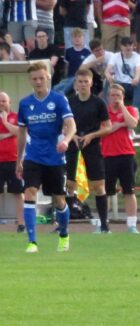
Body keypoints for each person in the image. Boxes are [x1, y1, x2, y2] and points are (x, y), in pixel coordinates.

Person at [16, 61, 76, 253]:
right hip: (33, 156)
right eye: (35, 79)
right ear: (30, 80)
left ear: (48, 77)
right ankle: (32, 241)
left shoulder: (59, 100)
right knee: (30, 192)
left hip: (55, 157)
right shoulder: (25, 104)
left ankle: (64, 234)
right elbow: (22, 133)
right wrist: (19, 160)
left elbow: (71, 124)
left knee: (59, 200)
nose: (38, 81)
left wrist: (66, 139)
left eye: (41, 78)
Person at [65, 69, 111, 234]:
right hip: (73, 147)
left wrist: (92, 135)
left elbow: (108, 127)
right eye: (80, 81)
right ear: (76, 83)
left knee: (99, 186)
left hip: (92, 148)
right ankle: (65, 225)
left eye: (86, 81)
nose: (83, 84)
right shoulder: (69, 103)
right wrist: (74, 136)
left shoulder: (99, 103)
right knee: (70, 185)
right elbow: (64, 127)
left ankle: (104, 225)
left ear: (91, 83)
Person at [99, 83, 139, 233]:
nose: (115, 98)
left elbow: (132, 124)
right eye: (113, 95)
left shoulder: (130, 110)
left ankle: (132, 224)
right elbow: (101, 130)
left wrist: (122, 110)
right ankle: (104, 223)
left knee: (129, 190)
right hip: (107, 155)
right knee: (105, 191)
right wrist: (115, 126)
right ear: (108, 97)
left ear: (123, 97)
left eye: (118, 96)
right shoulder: (103, 112)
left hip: (126, 154)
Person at [0, 90, 26, 232]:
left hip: (14, 160)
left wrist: (5, 122)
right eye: (0, 101)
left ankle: (21, 223)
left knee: (17, 192)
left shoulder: (16, 117)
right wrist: (10, 133)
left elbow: (21, 132)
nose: (1, 104)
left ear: (9, 102)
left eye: (4, 101)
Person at [105, 36, 140, 109]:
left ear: (133, 46)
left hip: (131, 85)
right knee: (106, 80)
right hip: (118, 84)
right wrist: (108, 75)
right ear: (121, 47)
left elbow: (139, 71)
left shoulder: (138, 57)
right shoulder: (115, 56)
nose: (128, 48)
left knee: (139, 83)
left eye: (130, 45)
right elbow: (107, 70)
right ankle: (107, 105)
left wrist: (136, 78)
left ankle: (135, 108)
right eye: (125, 46)